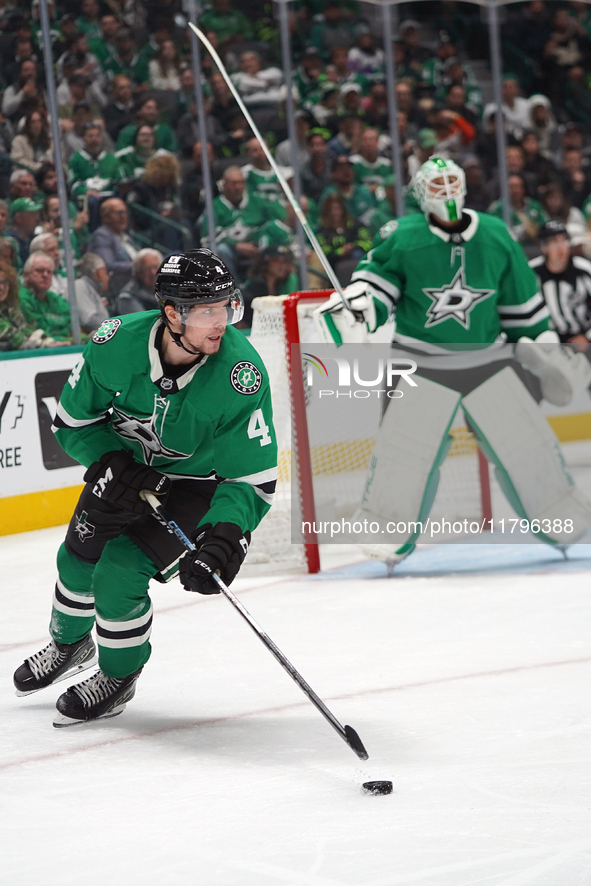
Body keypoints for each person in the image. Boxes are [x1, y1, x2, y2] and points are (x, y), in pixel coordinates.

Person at [13, 249, 278, 727]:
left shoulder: (242, 375)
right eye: (208, 311)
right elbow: (72, 423)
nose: (223, 322)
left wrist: (225, 533)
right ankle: (69, 645)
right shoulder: (114, 343)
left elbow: (250, 477)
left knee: (118, 573)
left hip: (197, 487)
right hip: (126, 471)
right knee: (76, 556)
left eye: (228, 306)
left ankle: (117, 677)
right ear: (172, 313)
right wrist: (112, 460)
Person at [315, 157, 591, 567]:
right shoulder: (403, 236)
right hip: (419, 361)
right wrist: (358, 307)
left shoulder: (496, 235)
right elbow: (376, 286)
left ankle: (560, 516)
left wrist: (541, 348)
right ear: (421, 192)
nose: (445, 191)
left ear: (462, 186)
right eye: (436, 183)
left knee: (525, 444)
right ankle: (389, 529)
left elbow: (522, 305)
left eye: (450, 181)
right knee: (404, 453)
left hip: (487, 357)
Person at [529, 221, 591, 350]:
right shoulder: (531, 273)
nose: (560, 247)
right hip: (548, 341)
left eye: (564, 241)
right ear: (543, 247)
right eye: (554, 242)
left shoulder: (585, 270)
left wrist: (587, 337)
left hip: (583, 337)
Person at [0, 259, 55, 351]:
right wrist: (43, 344)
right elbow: (15, 338)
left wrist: (47, 340)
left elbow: (25, 329)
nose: (1, 288)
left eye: (4, 283)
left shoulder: (10, 311)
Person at [19, 251, 72, 342]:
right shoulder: (21, 298)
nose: (45, 275)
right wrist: (68, 339)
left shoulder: (56, 299)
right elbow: (38, 331)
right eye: (39, 270)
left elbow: (69, 325)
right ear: (26, 275)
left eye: (49, 272)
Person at [241, 244, 298, 327]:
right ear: (266, 262)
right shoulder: (256, 284)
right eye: (277, 261)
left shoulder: (282, 284)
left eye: (285, 262)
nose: (282, 266)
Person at [115, 248, 163, 314]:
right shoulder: (127, 297)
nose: (153, 272)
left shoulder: (167, 288)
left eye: (155, 267)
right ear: (137, 272)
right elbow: (144, 322)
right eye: (147, 268)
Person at [73, 252, 110, 334]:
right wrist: (114, 329)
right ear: (99, 272)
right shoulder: (80, 285)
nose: (108, 276)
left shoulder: (91, 289)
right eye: (106, 271)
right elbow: (90, 321)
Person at [6, 196, 43, 266]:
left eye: (36, 214)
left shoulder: (36, 239)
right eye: (32, 215)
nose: (36, 219)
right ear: (18, 218)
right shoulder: (9, 241)